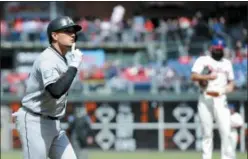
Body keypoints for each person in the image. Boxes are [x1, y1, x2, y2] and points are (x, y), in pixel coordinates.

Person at [12, 16, 83, 159]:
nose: (73, 34)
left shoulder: (61, 58)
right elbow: (55, 91)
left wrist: (71, 66)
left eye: (74, 31)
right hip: (34, 121)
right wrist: (73, 67)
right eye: (68, 31)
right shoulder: (47, 59)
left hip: (54, 122)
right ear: (54, 35)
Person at [191, 38, 235, 159]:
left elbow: (231, 84)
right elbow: (194, 76)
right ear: (211, 48)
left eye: (221, 49)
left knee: (226, 131)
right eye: (217, 49)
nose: (219, 51)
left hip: (220, 98)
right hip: (205, 97)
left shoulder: (227, 63)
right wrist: (207, 77)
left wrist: (224, 89)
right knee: (207, 133)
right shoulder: (203, 60)